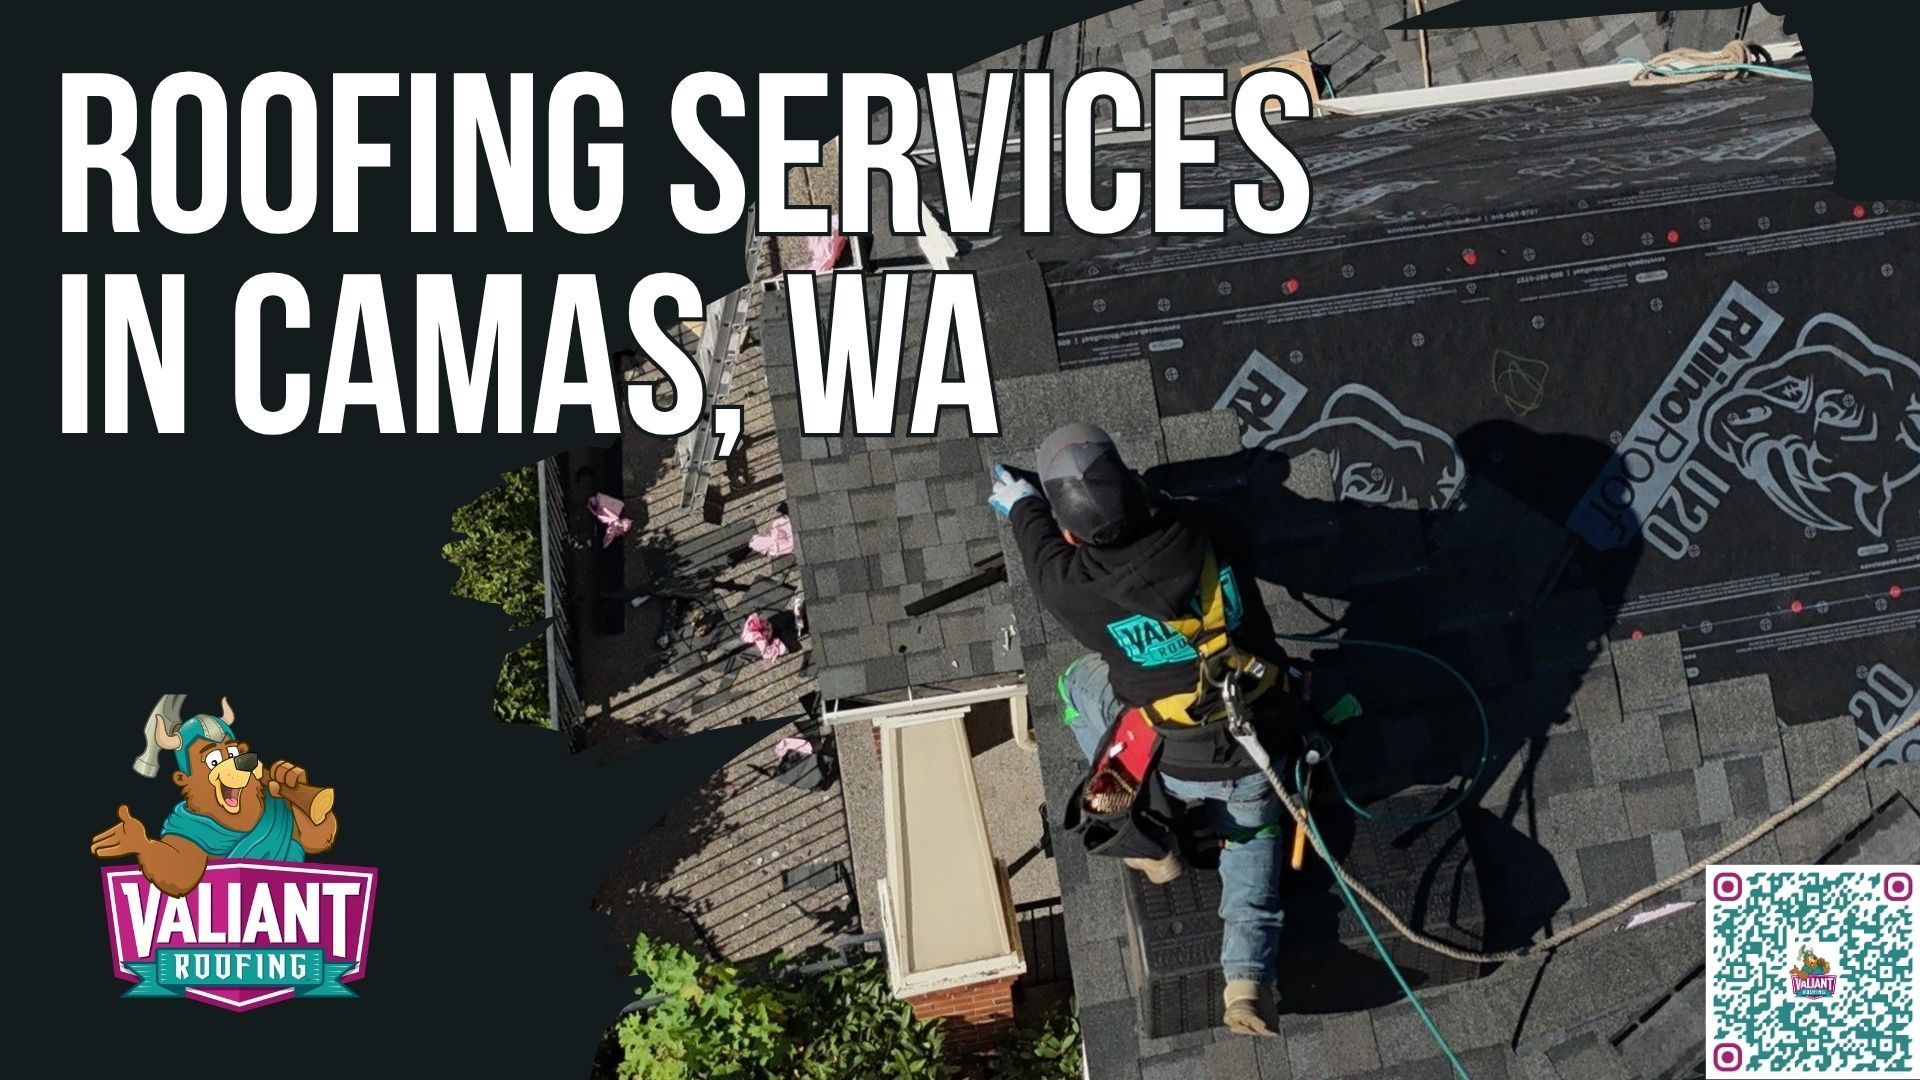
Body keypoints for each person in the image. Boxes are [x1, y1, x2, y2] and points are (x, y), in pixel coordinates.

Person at [989, 423, 1296, 1037]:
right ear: (1133, 485)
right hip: (1255, 748)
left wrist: (1023, 501)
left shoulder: (1072, 588)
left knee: (1080, 684)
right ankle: (1245, 979)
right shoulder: (1210, 527)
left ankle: (1151, 847)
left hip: (1168, 762)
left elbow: (1037, 543)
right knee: (1253, 842)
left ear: (1073, 534)